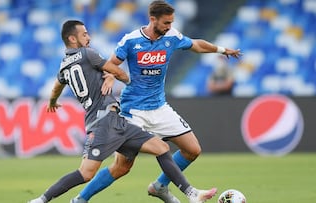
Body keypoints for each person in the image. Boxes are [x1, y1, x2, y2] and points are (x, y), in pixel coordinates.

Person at [28, 20, 217, 203]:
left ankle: (191, 193)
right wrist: (127, 81)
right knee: (86, 173)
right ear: (72, 39)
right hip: (103, 123)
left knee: (162, 148)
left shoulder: (63, 66)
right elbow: (117, 71)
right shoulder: (87, 54)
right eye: (84, 34)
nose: (89, 37)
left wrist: (52, 101)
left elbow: (56, 88)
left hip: (117, 121)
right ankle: (43, 199)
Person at [73, 1, 241, 203]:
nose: (169, 26)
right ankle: (81, 199)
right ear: (153, 19)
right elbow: (111, 64)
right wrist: (110, 76)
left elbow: (196, 44)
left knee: (192, 150)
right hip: (133, 111)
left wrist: (222, 50)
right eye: (166, 22)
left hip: (160, 107)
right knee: (122, 167)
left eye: (171, 22)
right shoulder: (131, 40)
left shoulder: (172, 37)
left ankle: (159, 186)